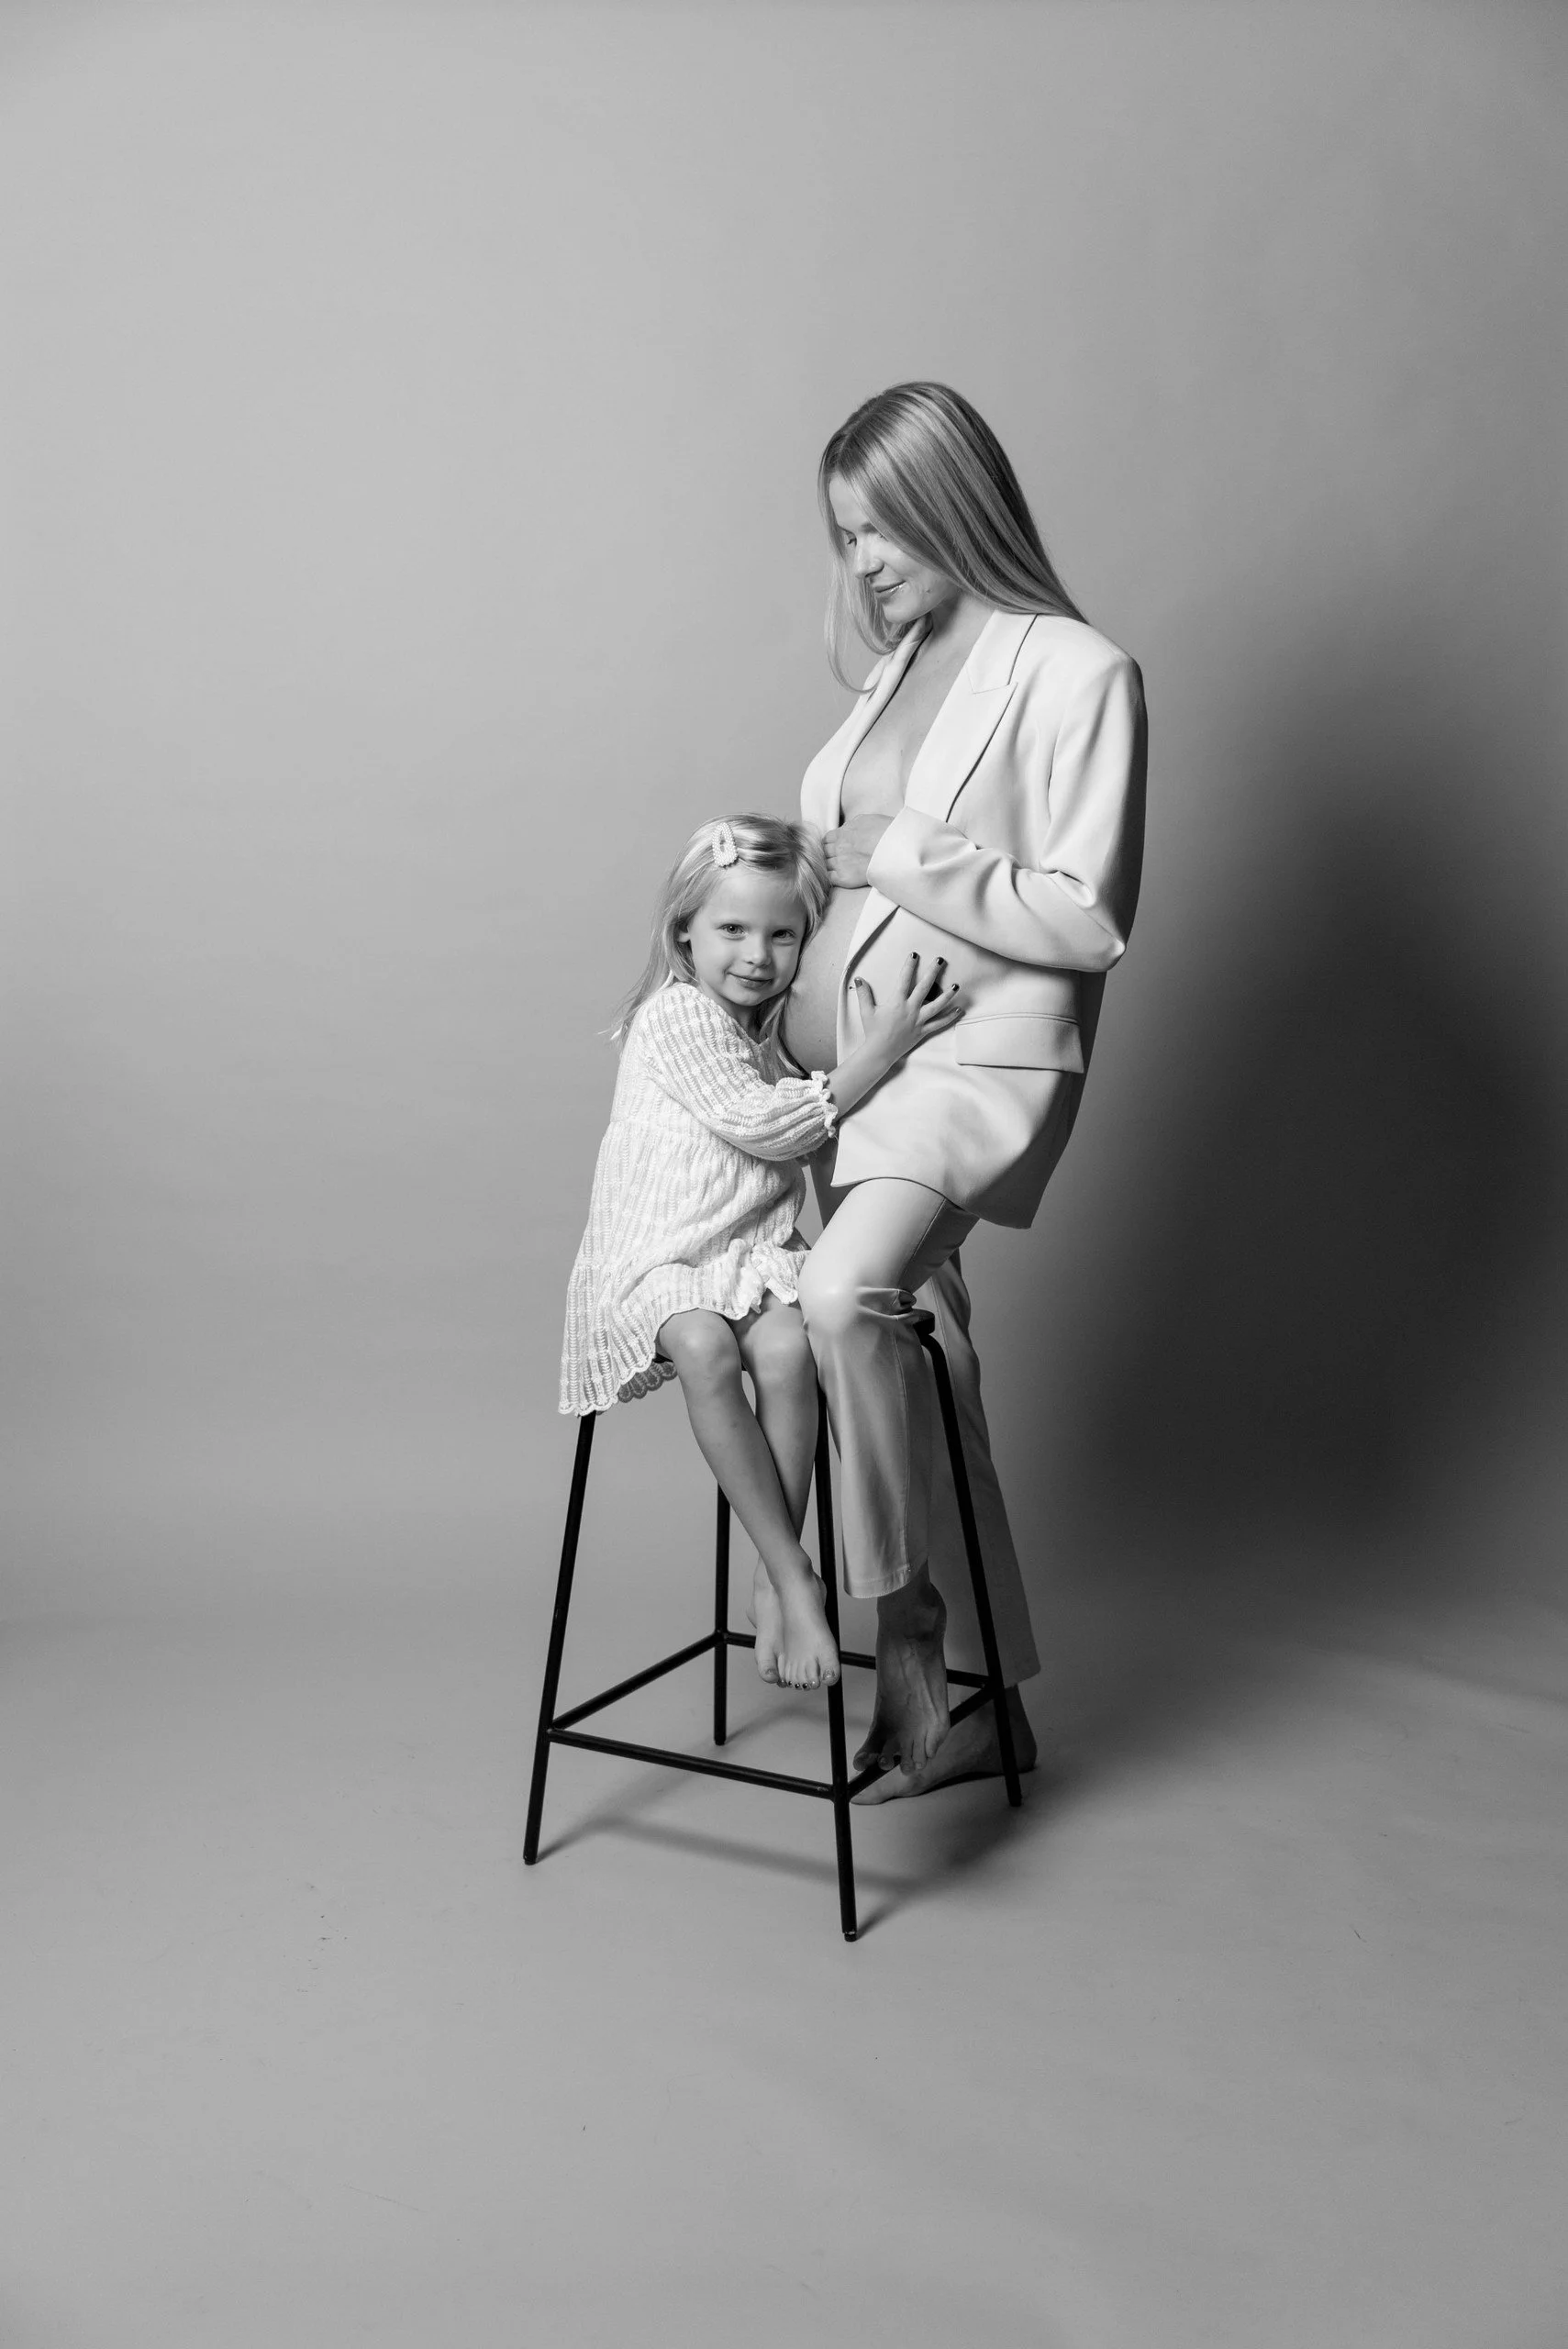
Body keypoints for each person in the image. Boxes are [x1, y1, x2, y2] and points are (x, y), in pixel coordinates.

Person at [784, 382, 1148, 1798]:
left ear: (952, 505)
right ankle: (996, 1710)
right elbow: (853, 847)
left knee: (840, 1300)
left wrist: (901, 857)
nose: (861, 561)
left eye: (878, 529)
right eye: (843, 535)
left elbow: (1089, 914)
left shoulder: (1078, 671)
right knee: (932, 1377)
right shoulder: (899, 659)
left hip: (969, 1066)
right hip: (848, 1068)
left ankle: (910, 1630)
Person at [560, 813, 962, 1691]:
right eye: (732, 930)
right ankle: (793, 1577)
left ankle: (776, 1567)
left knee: (786, 1347)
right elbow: (765, 1127)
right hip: (658, 1252)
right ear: (684, 933)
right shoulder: (676, 1016)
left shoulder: (761, 1032)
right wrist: (883, 1051)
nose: (757, 953)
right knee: (705, 1344)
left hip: (744, 1249)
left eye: (783, 934)